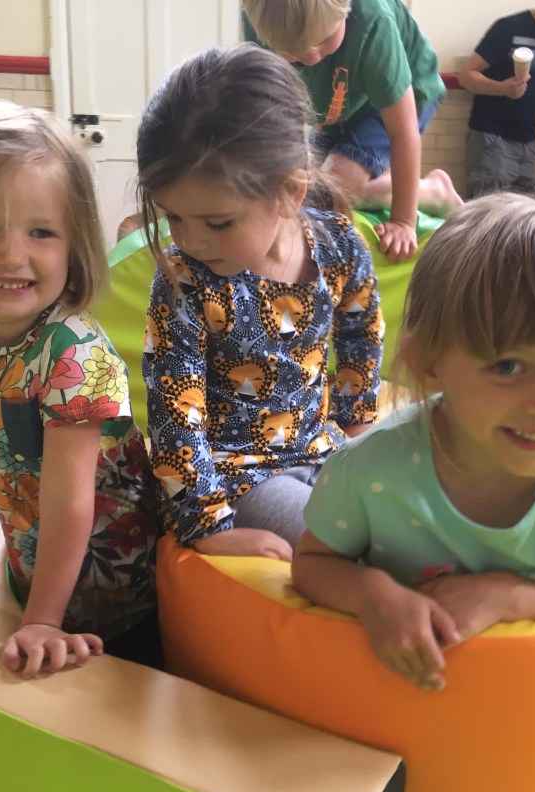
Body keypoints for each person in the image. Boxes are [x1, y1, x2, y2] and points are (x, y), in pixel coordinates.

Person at [292, 193, 535, 691]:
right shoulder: (369, 471)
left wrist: (508, 596)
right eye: (507, 366)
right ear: (431, 363)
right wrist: (376, 596)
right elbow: (313, 565)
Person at [0, 101, 160, 677]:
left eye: (41, 232)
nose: (11, 255)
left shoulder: (73, 352)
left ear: (74, 245)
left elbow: (71, 499)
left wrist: (42, 619)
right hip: (31, 566)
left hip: (119, 588)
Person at [137, 44, 383, 560]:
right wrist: (209, 526)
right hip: (237, 477)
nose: (190, 240)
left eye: (217, 222)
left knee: (412, 522)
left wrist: (360, 426)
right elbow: (173, 414)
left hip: (325, 450)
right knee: (350, 549)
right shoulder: (184, 282)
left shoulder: (338, 244)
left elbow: (362, 332)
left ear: (290, 194)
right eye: (173, 217)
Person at [242, 0, 462, 261]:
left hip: (407, 97)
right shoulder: (263, 19)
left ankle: (435, 192)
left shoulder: (373, 22)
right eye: (294, 51)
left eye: (326, 39)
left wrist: (403, 221)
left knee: (338, 181)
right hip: (345, 109)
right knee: (308, 187)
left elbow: (403, 132)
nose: (312, 57)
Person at [458, 0, 535, 199]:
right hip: (492, 138)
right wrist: (501, 89)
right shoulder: (509, 28)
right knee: (487, 219)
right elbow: (466, 76)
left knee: (527, 222)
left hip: (528, 144)